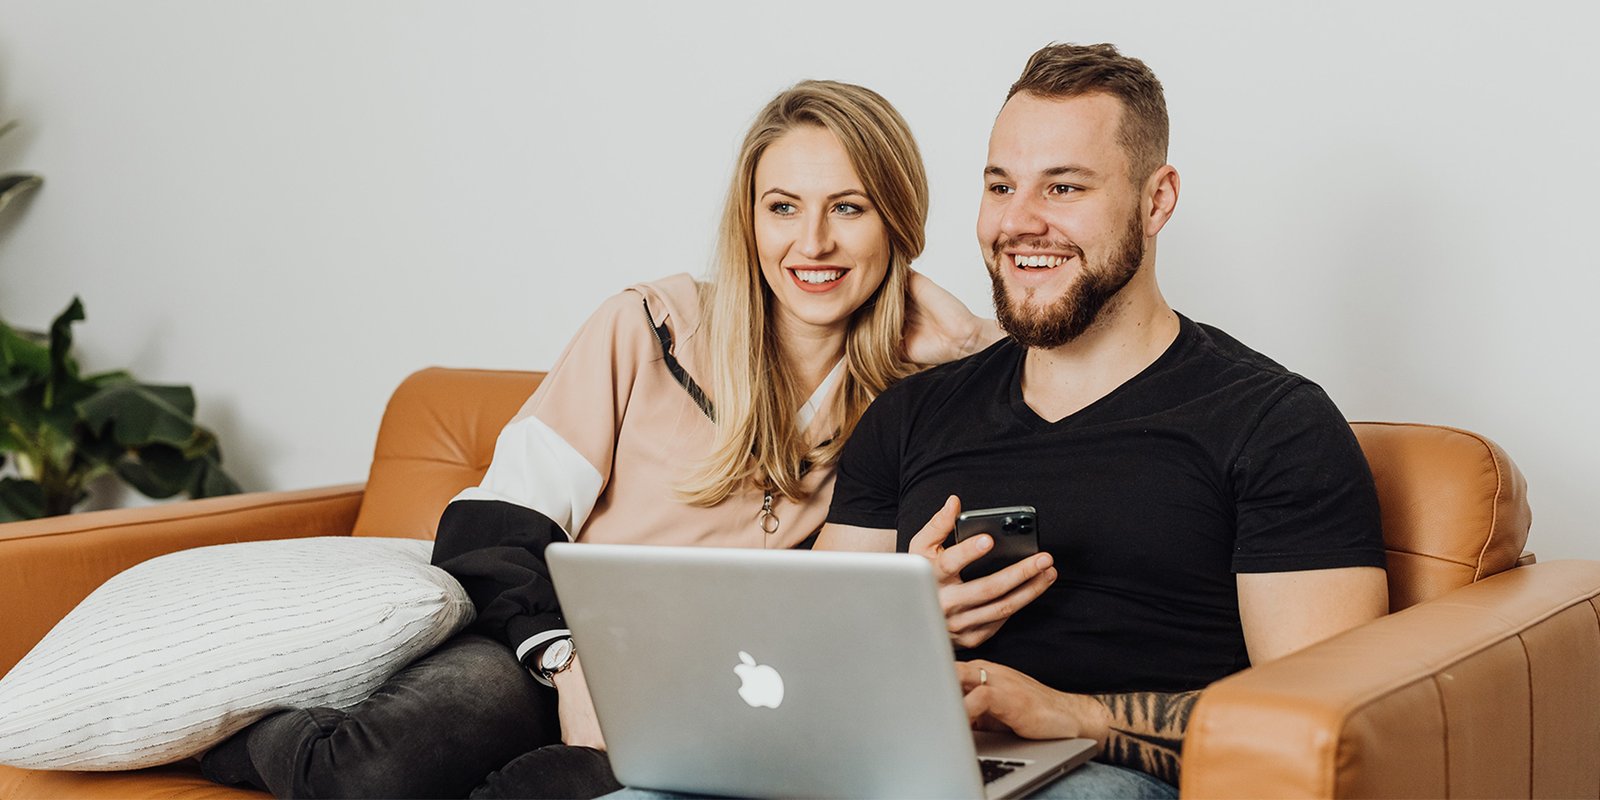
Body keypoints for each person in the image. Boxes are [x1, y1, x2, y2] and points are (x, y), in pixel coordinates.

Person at [198, 79, 1001, 799]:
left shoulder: (913, 401)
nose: (812, 242)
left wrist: (971, 340)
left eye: (849, 208)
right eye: (783, 206)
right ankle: (236, 739)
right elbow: (493, 530)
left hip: (710, 697)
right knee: (368, 776)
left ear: (897, 222)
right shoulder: (646, 328)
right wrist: (568, 662)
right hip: (546, 651)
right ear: (749, 219)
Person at [818, 43, 1389, 798]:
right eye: (1000, 186)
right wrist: (902, 625)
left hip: (1112, 778)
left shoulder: (1274, 424)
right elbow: (802, 673)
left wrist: (1077, 716)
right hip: (905, 768)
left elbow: (1326, 723)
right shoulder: (908, 414)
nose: (1017, 221)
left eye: (1063, 187)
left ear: (1156, 201)